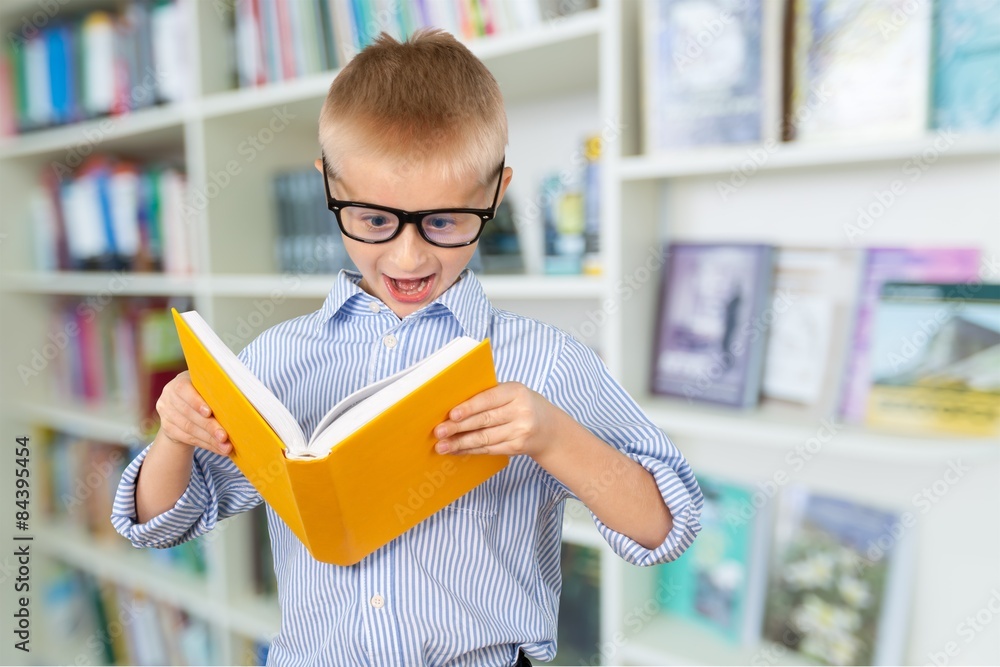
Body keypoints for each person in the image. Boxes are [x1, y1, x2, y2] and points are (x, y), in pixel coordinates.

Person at [112, 29, 702, 667]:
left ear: (495, 195)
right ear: (329, 188)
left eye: (444, 222)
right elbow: (159, 523)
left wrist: (555, 438)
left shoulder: (545, 361)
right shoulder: (280, 357)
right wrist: (174, 435)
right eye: (372, 220)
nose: (408, 256)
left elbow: (666, 527)